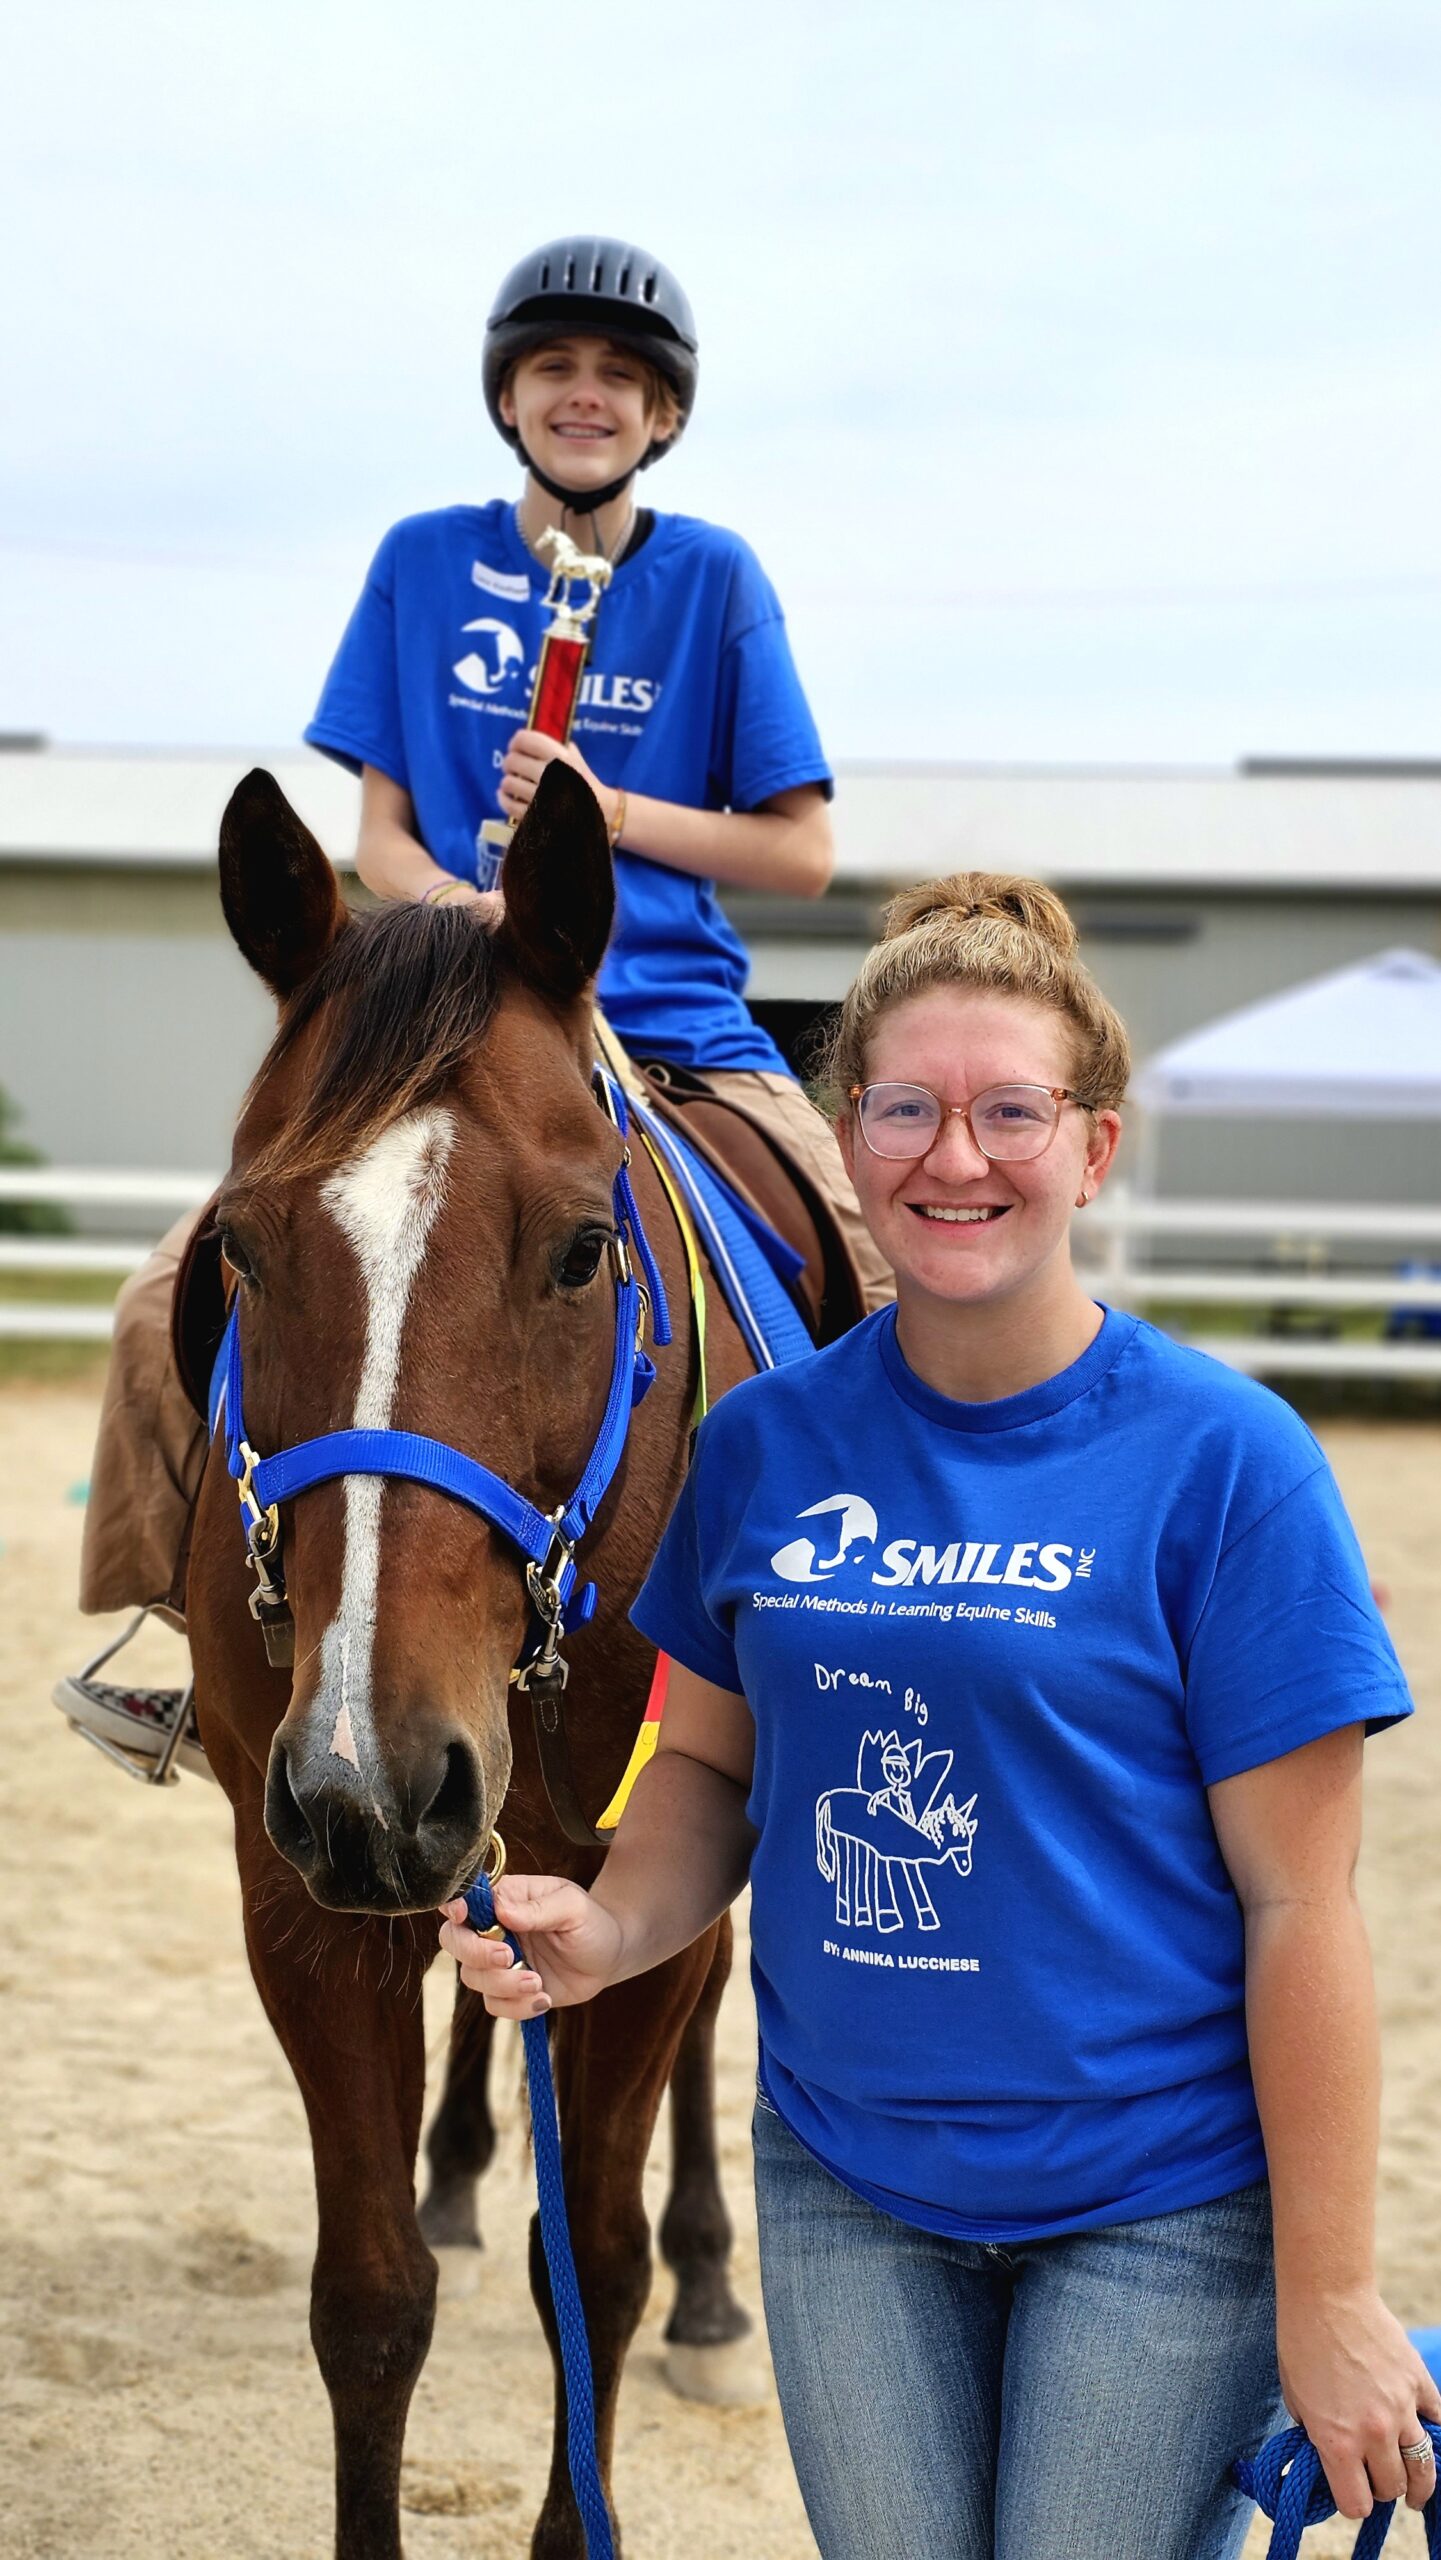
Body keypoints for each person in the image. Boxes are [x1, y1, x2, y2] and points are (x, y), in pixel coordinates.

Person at [439, 872, 1435, 2559]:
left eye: (1008, 1113)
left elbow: (1299, 1906)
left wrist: (1329, 2291)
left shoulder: (1228, 1463)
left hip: (1154, 2204)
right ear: (848, 1137)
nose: (952, 1156)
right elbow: (706, 1763)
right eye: (904, 1107)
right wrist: (609, 1927)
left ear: (1092, 1148)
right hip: (847, 2192)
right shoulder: (759, 1447)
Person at [54, 232, 889, 1774]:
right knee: (148, 1308)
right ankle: (190, 1651)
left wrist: (607, 814)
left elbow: (803, 851)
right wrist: (473, 928)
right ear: (508, 397)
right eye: (557, 370)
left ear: (666, 418)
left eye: (622, 381)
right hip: (430, 1011)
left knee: (879, 1281)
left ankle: (867, 1648)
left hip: (669, 1021)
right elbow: (374, 842)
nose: (588, 397)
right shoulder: (419, 561)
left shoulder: (711, 580)